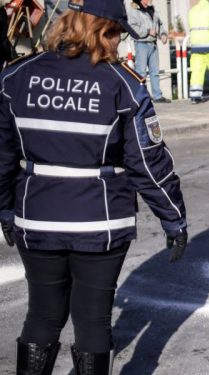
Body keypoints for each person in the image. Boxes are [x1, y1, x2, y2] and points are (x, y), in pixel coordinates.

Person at [0, 0, 188, 372]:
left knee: (42, 315)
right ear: (104, 30)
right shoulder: (123, 84)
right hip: (100, 223)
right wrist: (174, 217)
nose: (120, 43)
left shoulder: (16, 76)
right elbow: (147, 164)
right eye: (118, 33)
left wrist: (6, 210)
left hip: (37, 218)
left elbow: (2, 158)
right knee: (93, 321)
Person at [127, 0, 171, 103]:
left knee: (155, 72)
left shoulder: (152, 9)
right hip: (141, 43)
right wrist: (147, 31)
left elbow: (159, 24)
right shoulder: (133, 10)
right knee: (141, 72)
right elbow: (132, 28)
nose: (150, 0)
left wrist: (163, 34)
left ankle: (157, 96)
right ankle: (140, 97)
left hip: (153, 44)